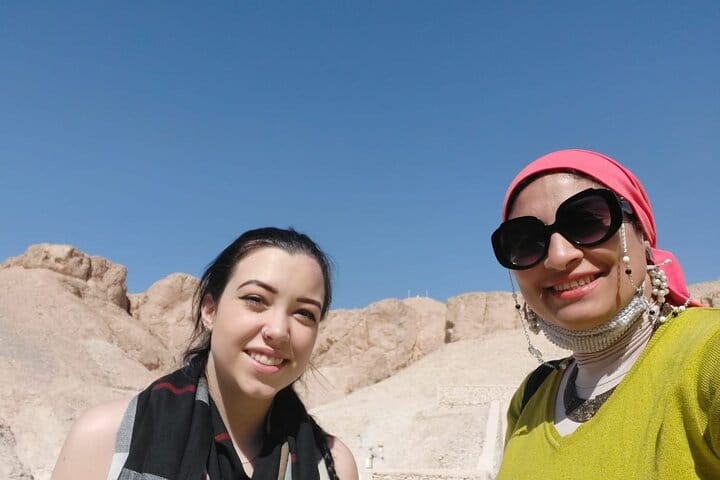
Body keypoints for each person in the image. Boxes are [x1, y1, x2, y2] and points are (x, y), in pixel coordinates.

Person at [51, 227, 359, 480]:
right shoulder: (108, 439)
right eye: (256, 299)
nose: (278, 331)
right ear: (210, 310)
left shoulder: (332, 465)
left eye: (304, 313)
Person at [490, 149, 720, 478]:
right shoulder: (529, 398)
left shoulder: (711, 355)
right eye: (525, 241)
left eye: (585, 222)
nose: (559, 256)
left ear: (642, 234)